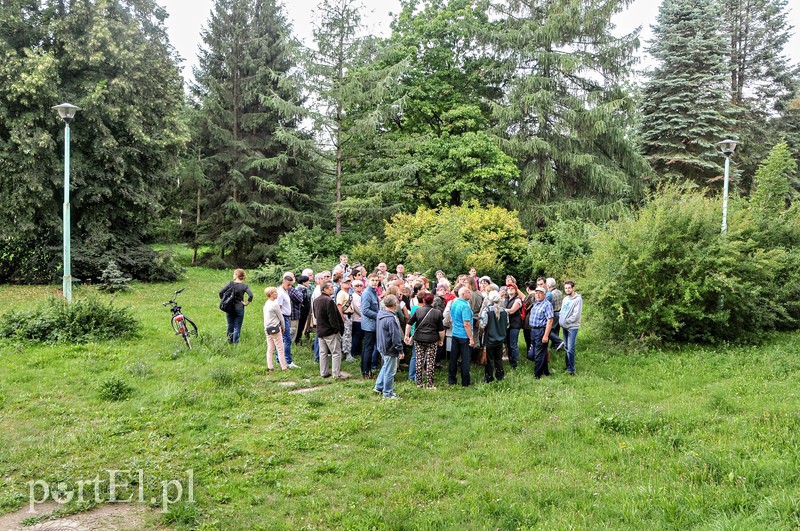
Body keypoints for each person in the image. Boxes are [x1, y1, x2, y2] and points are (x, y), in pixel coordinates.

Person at [405, 292, 444, 389]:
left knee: (419, 360)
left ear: (423, 300)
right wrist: (441, 340)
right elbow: (441, 330)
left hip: (419, 339)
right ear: (432, 301)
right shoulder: (437, 313)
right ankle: (430, 384)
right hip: (432, 339)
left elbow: (409, 324)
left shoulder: (418, 311)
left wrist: (406, 335)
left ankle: (419, 383)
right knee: (430, 361)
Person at [373, 294, 404, 399]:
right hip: (389, 348)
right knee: (390, 371)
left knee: (386, 366)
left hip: (381, 345)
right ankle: (387, 393)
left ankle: (378, 386)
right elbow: (395, 337)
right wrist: (400, 350)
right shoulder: (391, 319)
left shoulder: (381, 313)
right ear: (395, 304)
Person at [313, 281, 345, 379]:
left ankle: (324, 372)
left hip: (320, 330)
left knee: (323, 353)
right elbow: (333, 318)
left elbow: (315, 315)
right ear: (325, 289)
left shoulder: (316, 300)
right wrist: (337, 329)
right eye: (330, 287)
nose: (333, 289)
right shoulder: (329, 301)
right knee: (336, 352)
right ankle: (336, 374)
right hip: (330, 331)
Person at [448, 286, 475, 387]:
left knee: (453, 358)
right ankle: (465, 382)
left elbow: (451, 318)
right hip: (464, 336)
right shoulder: (465, 306)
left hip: (455, 333)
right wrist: (471, 338)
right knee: (465, 359)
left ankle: (451, 379)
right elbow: (466, 323)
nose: (470, 294)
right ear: (463, 294)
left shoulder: (454, 303)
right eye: (468, 292)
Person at [480, 290, 508, 382]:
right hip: (500, 339)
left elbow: (483, 324)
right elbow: (507, 324)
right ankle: (500, 376)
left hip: (489, 339)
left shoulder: (487, 310)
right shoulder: (504, 311)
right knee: (498, 359)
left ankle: (489, 378)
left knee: (489, 360)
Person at [219, 268, 253, 344]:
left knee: (230, 324)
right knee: (237, 326)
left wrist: (225, 300)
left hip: (229, 307)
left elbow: (221, 292)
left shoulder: (230, 284)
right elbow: (251, 295)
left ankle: (229, 342)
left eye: (234, 274)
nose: (233, 275)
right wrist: (247, 302)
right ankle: (236, 343)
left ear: (237, 275)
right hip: (240, 307)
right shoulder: (245, 286)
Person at [276, 273, 301, 369]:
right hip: (283, 317)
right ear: (283, 282)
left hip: (286, 316)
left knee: (282, 339)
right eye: (288, 285)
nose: (290, 287)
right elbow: (278, 307)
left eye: (291, 285)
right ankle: (287, 361)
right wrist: (281, 321)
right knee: (287, 339)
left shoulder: (285, 290)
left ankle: (279, 359)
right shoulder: (280, 293)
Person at [528, 286, 554, 379]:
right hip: (533, 330)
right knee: (535, 353)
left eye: (540, 293)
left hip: (541, 330)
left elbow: (550, 320)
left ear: (544, 294)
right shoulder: (536, 303)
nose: (538, 295)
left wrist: (546, 335)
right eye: (536, 293)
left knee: (538, 353)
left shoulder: (547, 304)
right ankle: (546, 372)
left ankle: (537, 375)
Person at [559, 280, 583, 375]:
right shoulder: (565, 299)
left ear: (573, 288)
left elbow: (576, 315)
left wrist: (566, 321)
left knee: (571, 348)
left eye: (569, 287)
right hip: (564, 326)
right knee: (566, 347)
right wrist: (562, 319)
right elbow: (561, 311)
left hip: (572, 327)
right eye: (566, 288)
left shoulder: (578, 299)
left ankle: (571, 370)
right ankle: (567, 366)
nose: (567, 289)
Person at [360, 274, 381, 378]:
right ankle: (366, 371)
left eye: (376, 280)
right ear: (368, 281)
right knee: (368, 348)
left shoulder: (374, 292)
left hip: (373, 324)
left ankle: (366, 370)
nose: (375, 282)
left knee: (368, 348)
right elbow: (365, 310)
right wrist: (379, 316)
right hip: (369, 325)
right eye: (373, 280)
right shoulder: (367, 293)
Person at [263, 287, 287, 371]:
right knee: (280, 348)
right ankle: (284, 367)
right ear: (271, 294)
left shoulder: (267, 303)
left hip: (267, 328)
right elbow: (281, 318)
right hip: (275, 328)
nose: (277, 294)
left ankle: (270, 366)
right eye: (275, 292)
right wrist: (283, 327)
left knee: (270, 348)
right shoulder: (275, 304)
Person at [504, 282, 524, 369]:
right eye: (508, 288)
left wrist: (501, 310)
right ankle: (510, 360)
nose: (510, 289)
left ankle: (515, 362)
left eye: (512, 288)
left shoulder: (518, 300)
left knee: (513, 344)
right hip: (508, 324)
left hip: (515, 324)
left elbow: (512, 311)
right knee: (508, 344)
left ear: (516, 290)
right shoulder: (506, 299)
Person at [336, 276, 355, 361]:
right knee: (346, 335)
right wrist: (341, 317)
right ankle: (347, 353)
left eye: (348, 282)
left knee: (348, 334)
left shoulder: (347, 293)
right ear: (341, 284)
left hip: (349, 315)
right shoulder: (341, 293)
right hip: (345, 315)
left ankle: (346, 352)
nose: (347, 284)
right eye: (345, 282)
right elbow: (339, 305)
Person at [294, 275, 312, 346]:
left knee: (300, 326)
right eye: (307, 281)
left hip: (303, 310)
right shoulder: (302, 289)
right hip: (302, 311)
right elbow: (302, 300)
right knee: (300, 326)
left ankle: (298, 339)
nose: (309, 282)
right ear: (303, 282)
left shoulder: (299, 288)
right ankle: (297, 340)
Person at [350, 279, 364, 361]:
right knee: (356, 337)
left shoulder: (361, 294)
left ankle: (358, 351)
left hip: (361, 319)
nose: (359, 287)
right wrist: (363, 316)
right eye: (357, 286)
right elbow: (357, 308)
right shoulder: (354, 296)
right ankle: (354, 352)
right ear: (353, 287)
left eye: (360, 285)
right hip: (357, 319)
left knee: (360, 336)